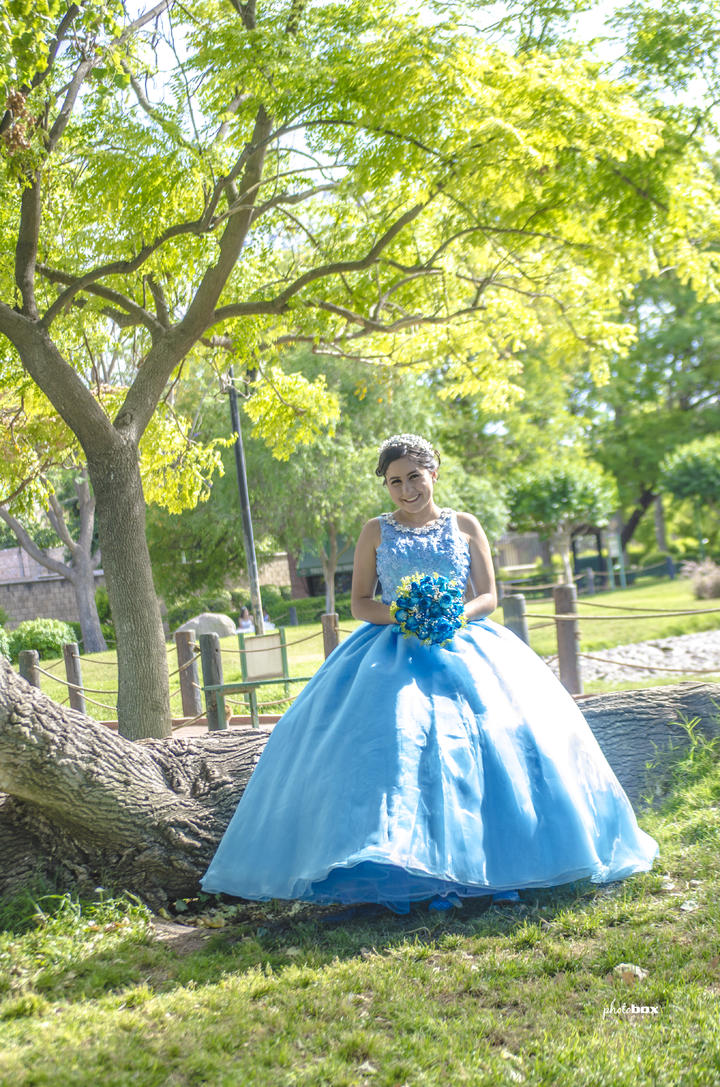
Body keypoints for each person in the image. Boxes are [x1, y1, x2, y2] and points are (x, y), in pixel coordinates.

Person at [202, 434, 657, 912]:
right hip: (392, 648)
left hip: (467, 641)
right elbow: (361, 602)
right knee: (397, 741)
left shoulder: (465, 524)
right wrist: (404, 615)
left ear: (433, 473)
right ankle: (403, 861)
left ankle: (501, 859)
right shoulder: (373, 531)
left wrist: (454, 616)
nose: (406, 489)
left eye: (414, 477)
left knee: (495, 738)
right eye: (394, 481)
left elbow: (488, 596)